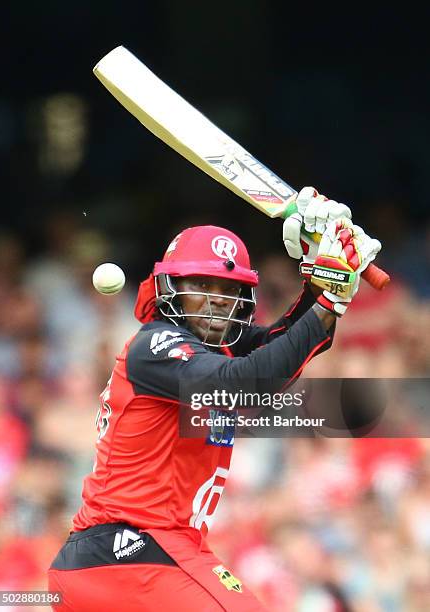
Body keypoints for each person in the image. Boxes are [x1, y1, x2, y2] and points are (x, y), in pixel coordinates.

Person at [47, 187, 381, 611]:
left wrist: (322, 278)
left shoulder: (213, 351)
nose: (216, 297)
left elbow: (285, 346)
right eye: (200, 283)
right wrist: (330, 295)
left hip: (139, 557)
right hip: (131, 551)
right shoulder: (155, 344)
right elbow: (245, 382)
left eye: (227, 287)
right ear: (170, 287)